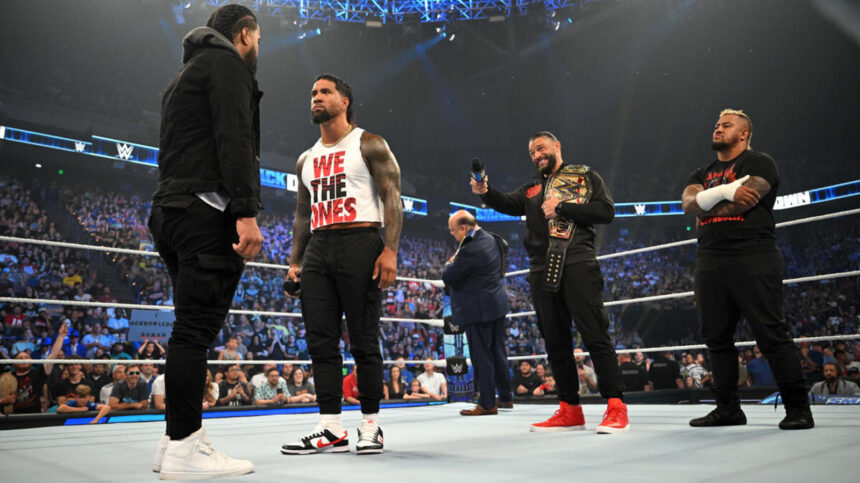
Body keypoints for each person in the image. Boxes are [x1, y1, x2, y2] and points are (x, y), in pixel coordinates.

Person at [147, 3, 263, 478]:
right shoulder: (228, 66)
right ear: (245, 34)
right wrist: (246, 213)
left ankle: (173, 439)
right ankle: (185, 447)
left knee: (187, 329)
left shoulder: (182, 76)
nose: (257, 48)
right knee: (194, 332)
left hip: (168, 209)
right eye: (258, 40)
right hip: (205, 211)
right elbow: (236, 140)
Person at [472, 131, 628, 433]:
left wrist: (563, 207)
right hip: (541, 267)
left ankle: (616, 407)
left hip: (577, 260)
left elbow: (606, 212)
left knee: (595, 334)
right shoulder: (531, 188)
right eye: (532, 152)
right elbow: (506, 203)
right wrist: (485, 191)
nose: (536, 155)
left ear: (557, 146)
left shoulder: (585, 176)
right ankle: (569, 409)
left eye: (540, 148)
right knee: (555, 341)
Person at [282, 73, 402, 456]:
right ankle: (331, 426)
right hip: (318, 246)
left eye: (325, 92)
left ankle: (370, 425)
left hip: (361, 240)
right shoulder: (306, 159)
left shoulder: (368, 143)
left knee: (364, 338)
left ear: (345, 101)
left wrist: (390, 250)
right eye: (313, 93)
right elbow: (302, 214)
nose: (316, 97)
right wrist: (295, 261)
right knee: (320, 340)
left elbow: (392, 195)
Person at [682, 109, 813, 430]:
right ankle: (728, 409)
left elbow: (745, 202)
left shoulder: (759, 163)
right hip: (709, 258)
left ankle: (798, 409)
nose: (718, 129)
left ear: (744, 133)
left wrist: (707, 202)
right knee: (716, 337)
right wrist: (726, 190)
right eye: (716, 125)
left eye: (726, 125)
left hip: (753, 254)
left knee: (771, 333)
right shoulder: (702, 171)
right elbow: (688, 204)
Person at [442, 210, 513, 416]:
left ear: (463, 228)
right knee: (498, 351)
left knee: (481, 355)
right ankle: (506, 397)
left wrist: (450, 262)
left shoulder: (470, 248)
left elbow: (449, 276)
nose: (452, 234)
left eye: (453, 231)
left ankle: (487, 403)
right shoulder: (491, 238)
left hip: (478, 309)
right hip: (496, 304)